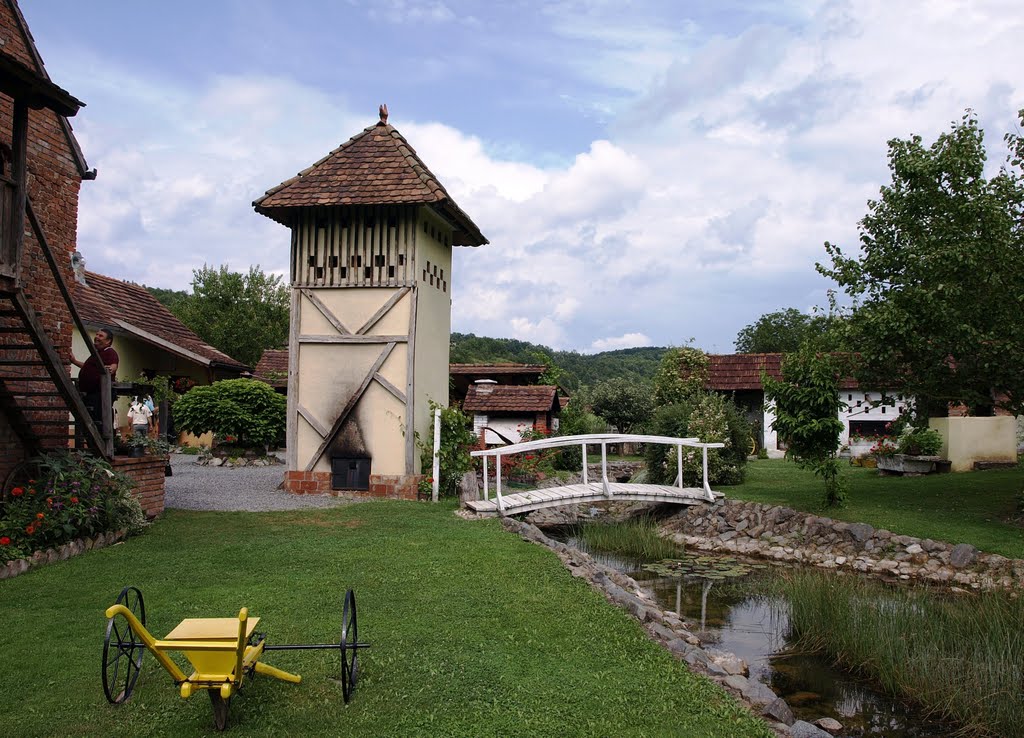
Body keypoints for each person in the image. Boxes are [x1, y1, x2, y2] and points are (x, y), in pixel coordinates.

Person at [71, 327, 119, 431]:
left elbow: (114, 365)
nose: (97, 337)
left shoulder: (109, 352)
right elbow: (88, 367)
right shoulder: (96, 354)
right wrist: (74, 361)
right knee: (89, 421)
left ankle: (103, 441)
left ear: (108, 341)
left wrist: (110, 369)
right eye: (96, 334)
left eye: (100, 336)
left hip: (99, 394)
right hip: (90, 393)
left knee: (98, 421)